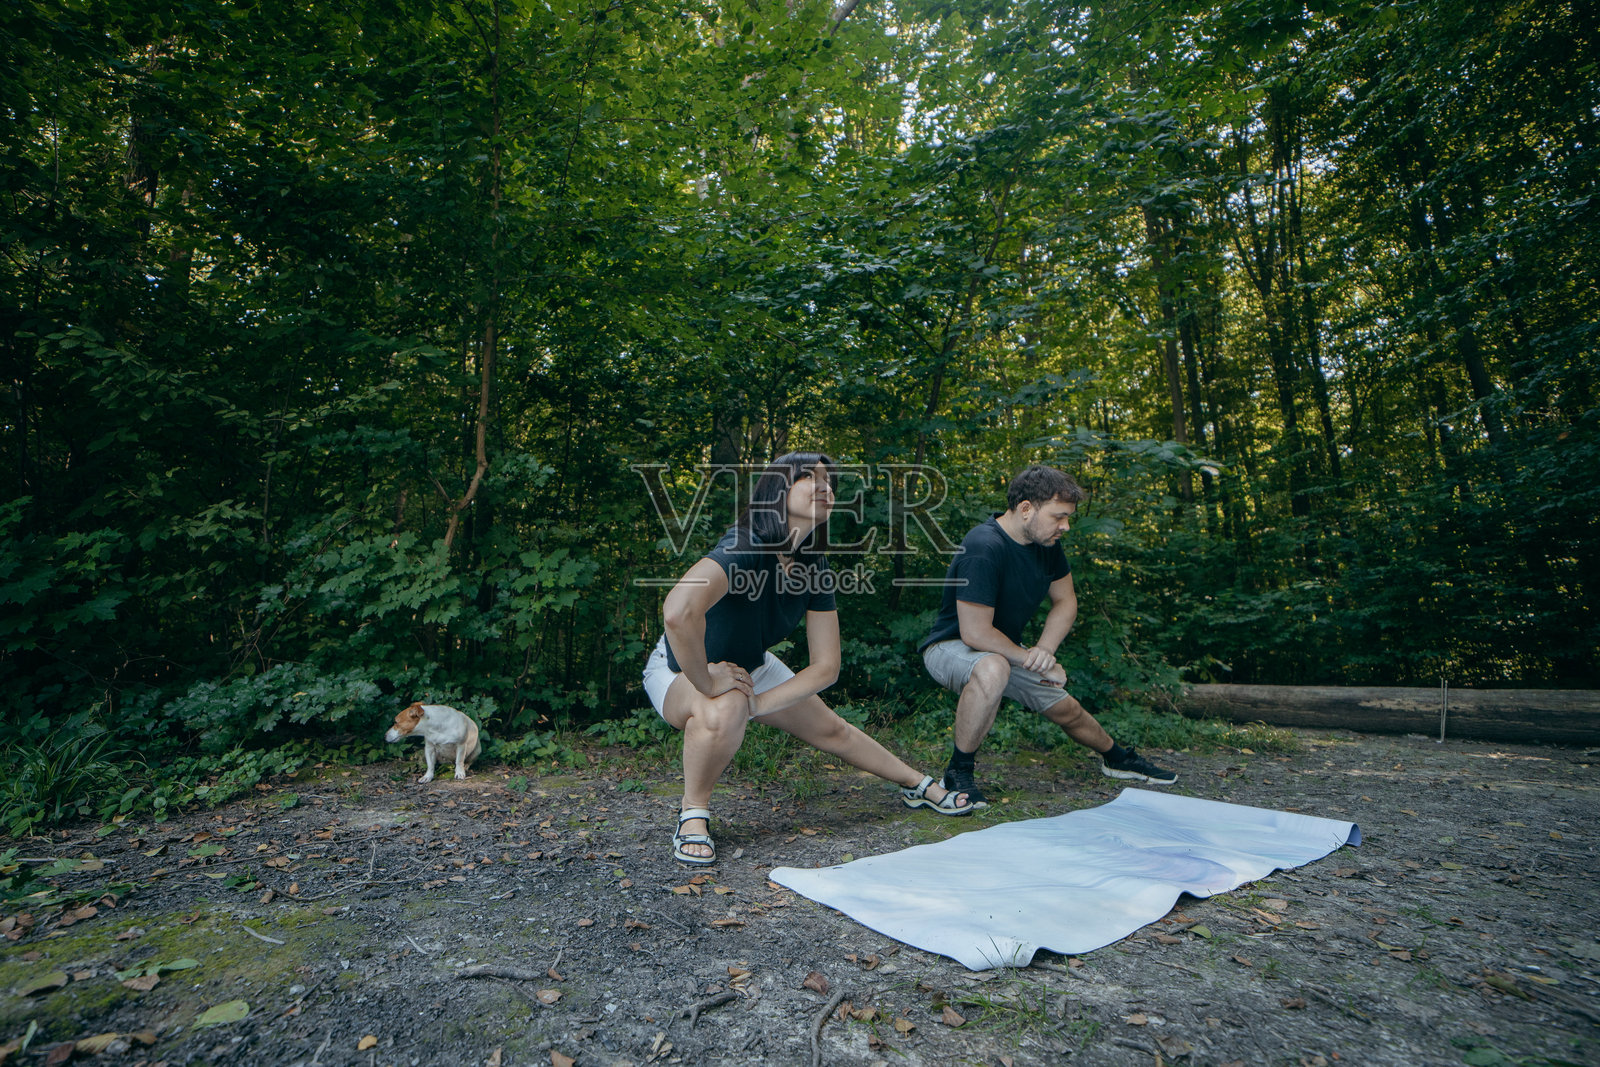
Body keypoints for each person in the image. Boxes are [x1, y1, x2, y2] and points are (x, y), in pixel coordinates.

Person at [644, 451, 973, 865]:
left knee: (832, 730)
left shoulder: (813, 565)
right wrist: (707, 680)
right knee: (723, 703)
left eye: (829, 481)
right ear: (776, 492)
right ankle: (693, 814)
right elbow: (677, 612)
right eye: (809, 478)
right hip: (680, 668)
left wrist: (760, 702)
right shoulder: (744, 545)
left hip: (750, 666)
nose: (825, 487)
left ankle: (920, 784)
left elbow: (826, 667)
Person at [920, 465, 1176, 806]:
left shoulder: (1047, 545)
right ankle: (957, 772)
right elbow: (975, 631)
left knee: (1064, 705)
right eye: (1059, 517)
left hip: (1002, 651)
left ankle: (1117, 757)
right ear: (1026, 509)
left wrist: (1044, 651)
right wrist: (1029, 658)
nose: (1065, 526)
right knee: (994, 667)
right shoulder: (983, 546)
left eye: (1068, 517)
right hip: (951, 647)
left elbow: (1065, 602)